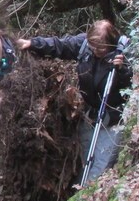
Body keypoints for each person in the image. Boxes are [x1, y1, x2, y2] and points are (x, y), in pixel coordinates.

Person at [16, 19, 132, 184]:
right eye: (93, 46)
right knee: (84, 160)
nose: (96, 50)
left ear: (111, 42)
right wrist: (32, 43)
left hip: (113, 119)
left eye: (101, 47)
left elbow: (133, 83)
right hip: (91, 116)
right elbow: (60, 45)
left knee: (101, 164)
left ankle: (90, 196)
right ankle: (80, 194)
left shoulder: (124, 52)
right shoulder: (85, 46)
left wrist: (122, 70)